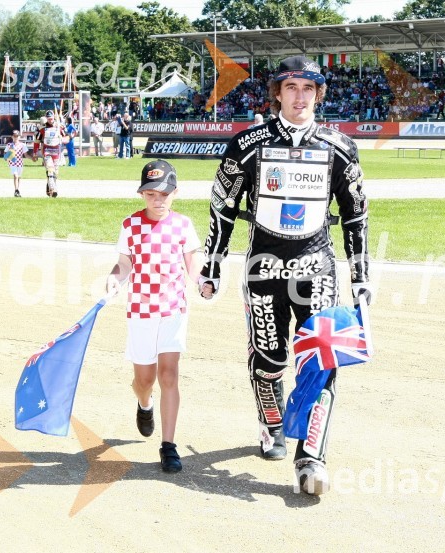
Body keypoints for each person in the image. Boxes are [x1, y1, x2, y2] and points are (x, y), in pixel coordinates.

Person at [198, 55, 371, 495]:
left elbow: (356, 215)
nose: (299, 97)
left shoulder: (339, 146)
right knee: (270, 359)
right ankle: (271, 422)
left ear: (318, 94)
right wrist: (213, 263)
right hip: (264, 268)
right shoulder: (246, 143)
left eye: (308, 89)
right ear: (277, 92)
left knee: (321, 359)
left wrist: (361, 276)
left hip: (318, 268)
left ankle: (311, 457)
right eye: (291, 87)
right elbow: (223, 205)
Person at [106, 159, 203, 473]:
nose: (157, 200)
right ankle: (144, 403)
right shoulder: (130, 225)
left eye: (164, 193)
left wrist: (203, 282)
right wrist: (113, 279)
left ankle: (168, 445)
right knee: (145, 380)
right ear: (142, 194)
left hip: (173, 310)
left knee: (169, 376)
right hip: (141, 312)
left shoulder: (183, 225)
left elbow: (193, 266)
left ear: (175, 192)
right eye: (151, 194)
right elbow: (124, 265)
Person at [32, 110, 66, 197]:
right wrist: (35, 152)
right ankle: (53, 189)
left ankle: (49, 187)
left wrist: (62, 134)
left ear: (54, 117)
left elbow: (66, 136)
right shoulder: (42, 128)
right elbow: (37, 141)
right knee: (50, 170)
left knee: (55, 173)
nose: (50, 120)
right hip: (47, 151)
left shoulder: (59, 126)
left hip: (57, 152)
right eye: (48, 119)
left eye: (51, 118)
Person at [4, 130, 28, 197]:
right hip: (12, 163)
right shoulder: (9, 145)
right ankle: (16, 190)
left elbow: (26, 155)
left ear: (19, 137)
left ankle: (17, 189)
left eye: (17, 136)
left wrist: (32, 158)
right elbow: (5, 154)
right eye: (14, 136)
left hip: (20, 163)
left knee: (19, 177)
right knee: (15, 176)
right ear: (12, 137)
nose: (16, 137)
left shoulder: (23, 145)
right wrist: (8, 156)